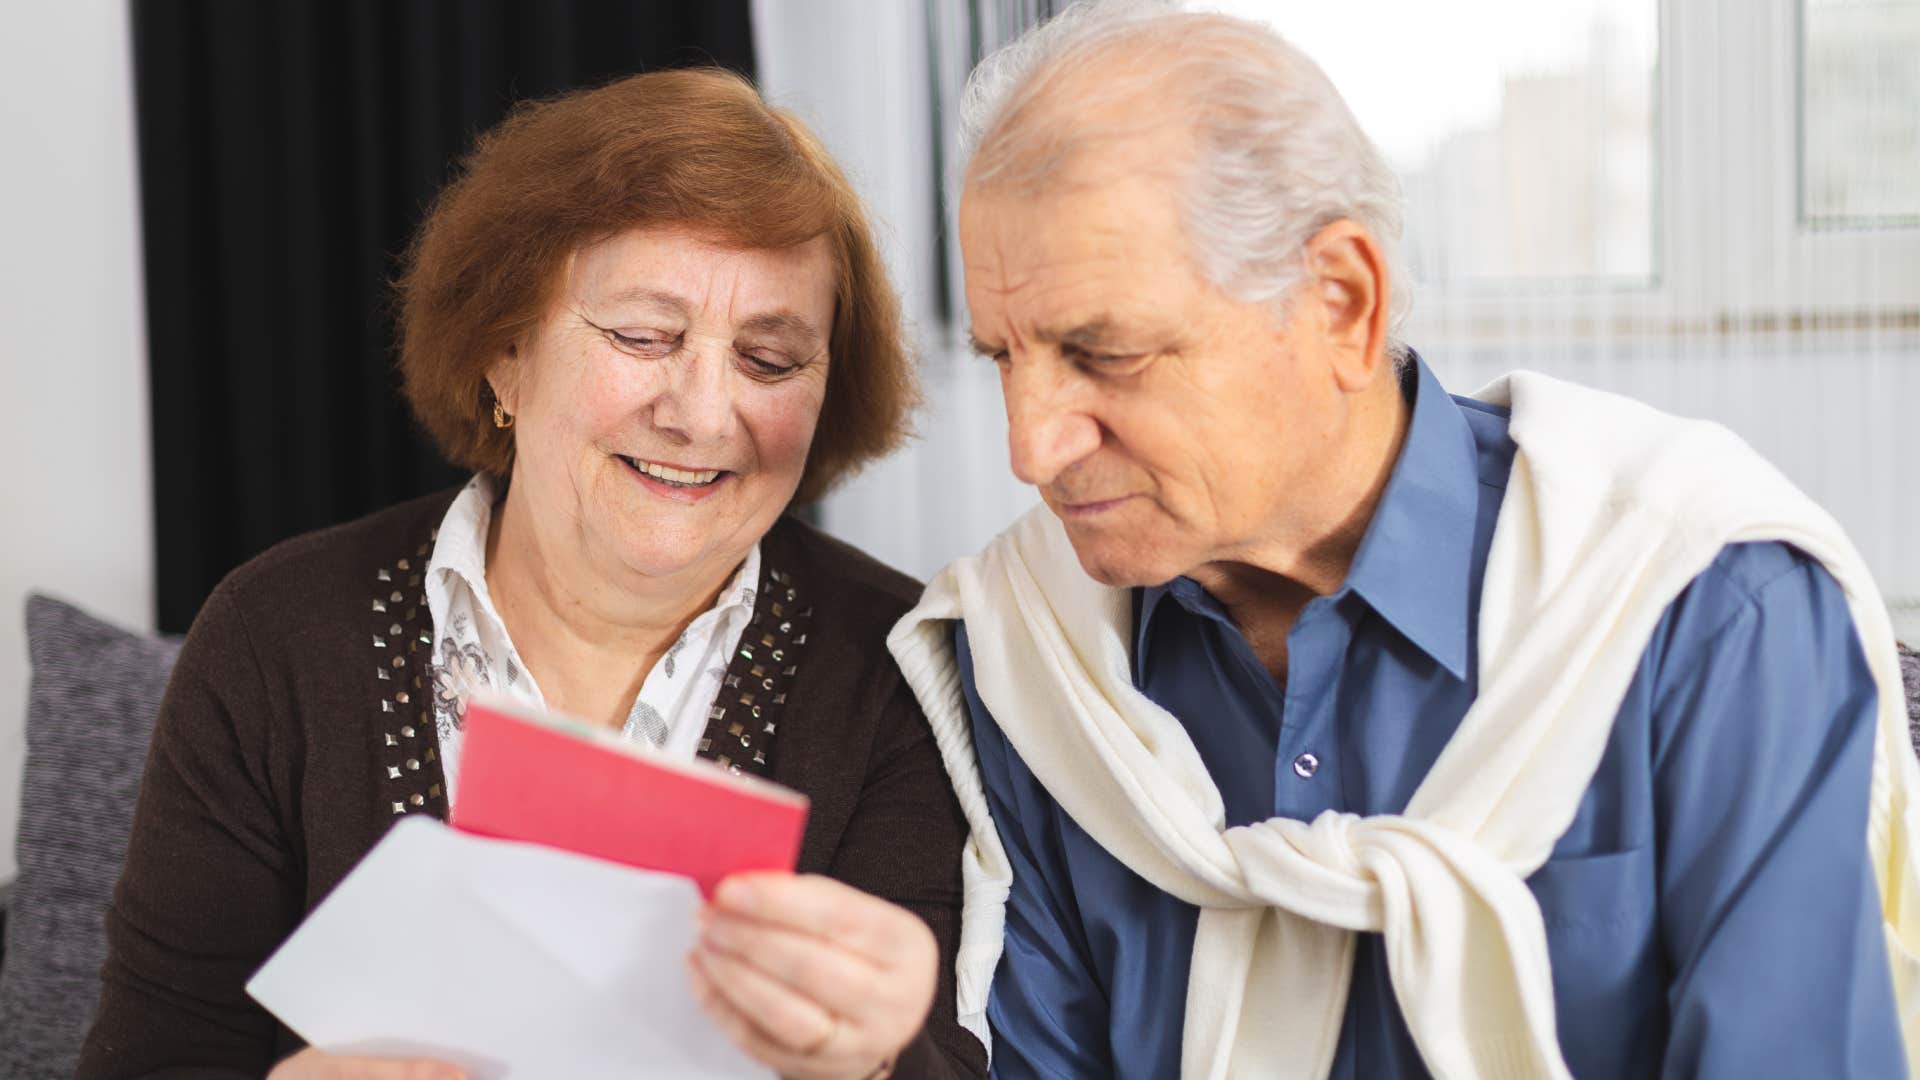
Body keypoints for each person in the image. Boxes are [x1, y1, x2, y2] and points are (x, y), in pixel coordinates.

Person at [889, 4, 1920, 1078]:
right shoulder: (1030, 654)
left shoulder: (1706, 607)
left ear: (1343, 303)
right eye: (1004, 355)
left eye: (1102, 353)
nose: (1029, 445)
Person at [78, 69, 985, 1080]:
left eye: (770, 361)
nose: (701, 412)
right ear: (505, 356)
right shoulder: (275, 634)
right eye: (645, 337)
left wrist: (870, 1060)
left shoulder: (903, 663)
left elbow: (947, 1055)